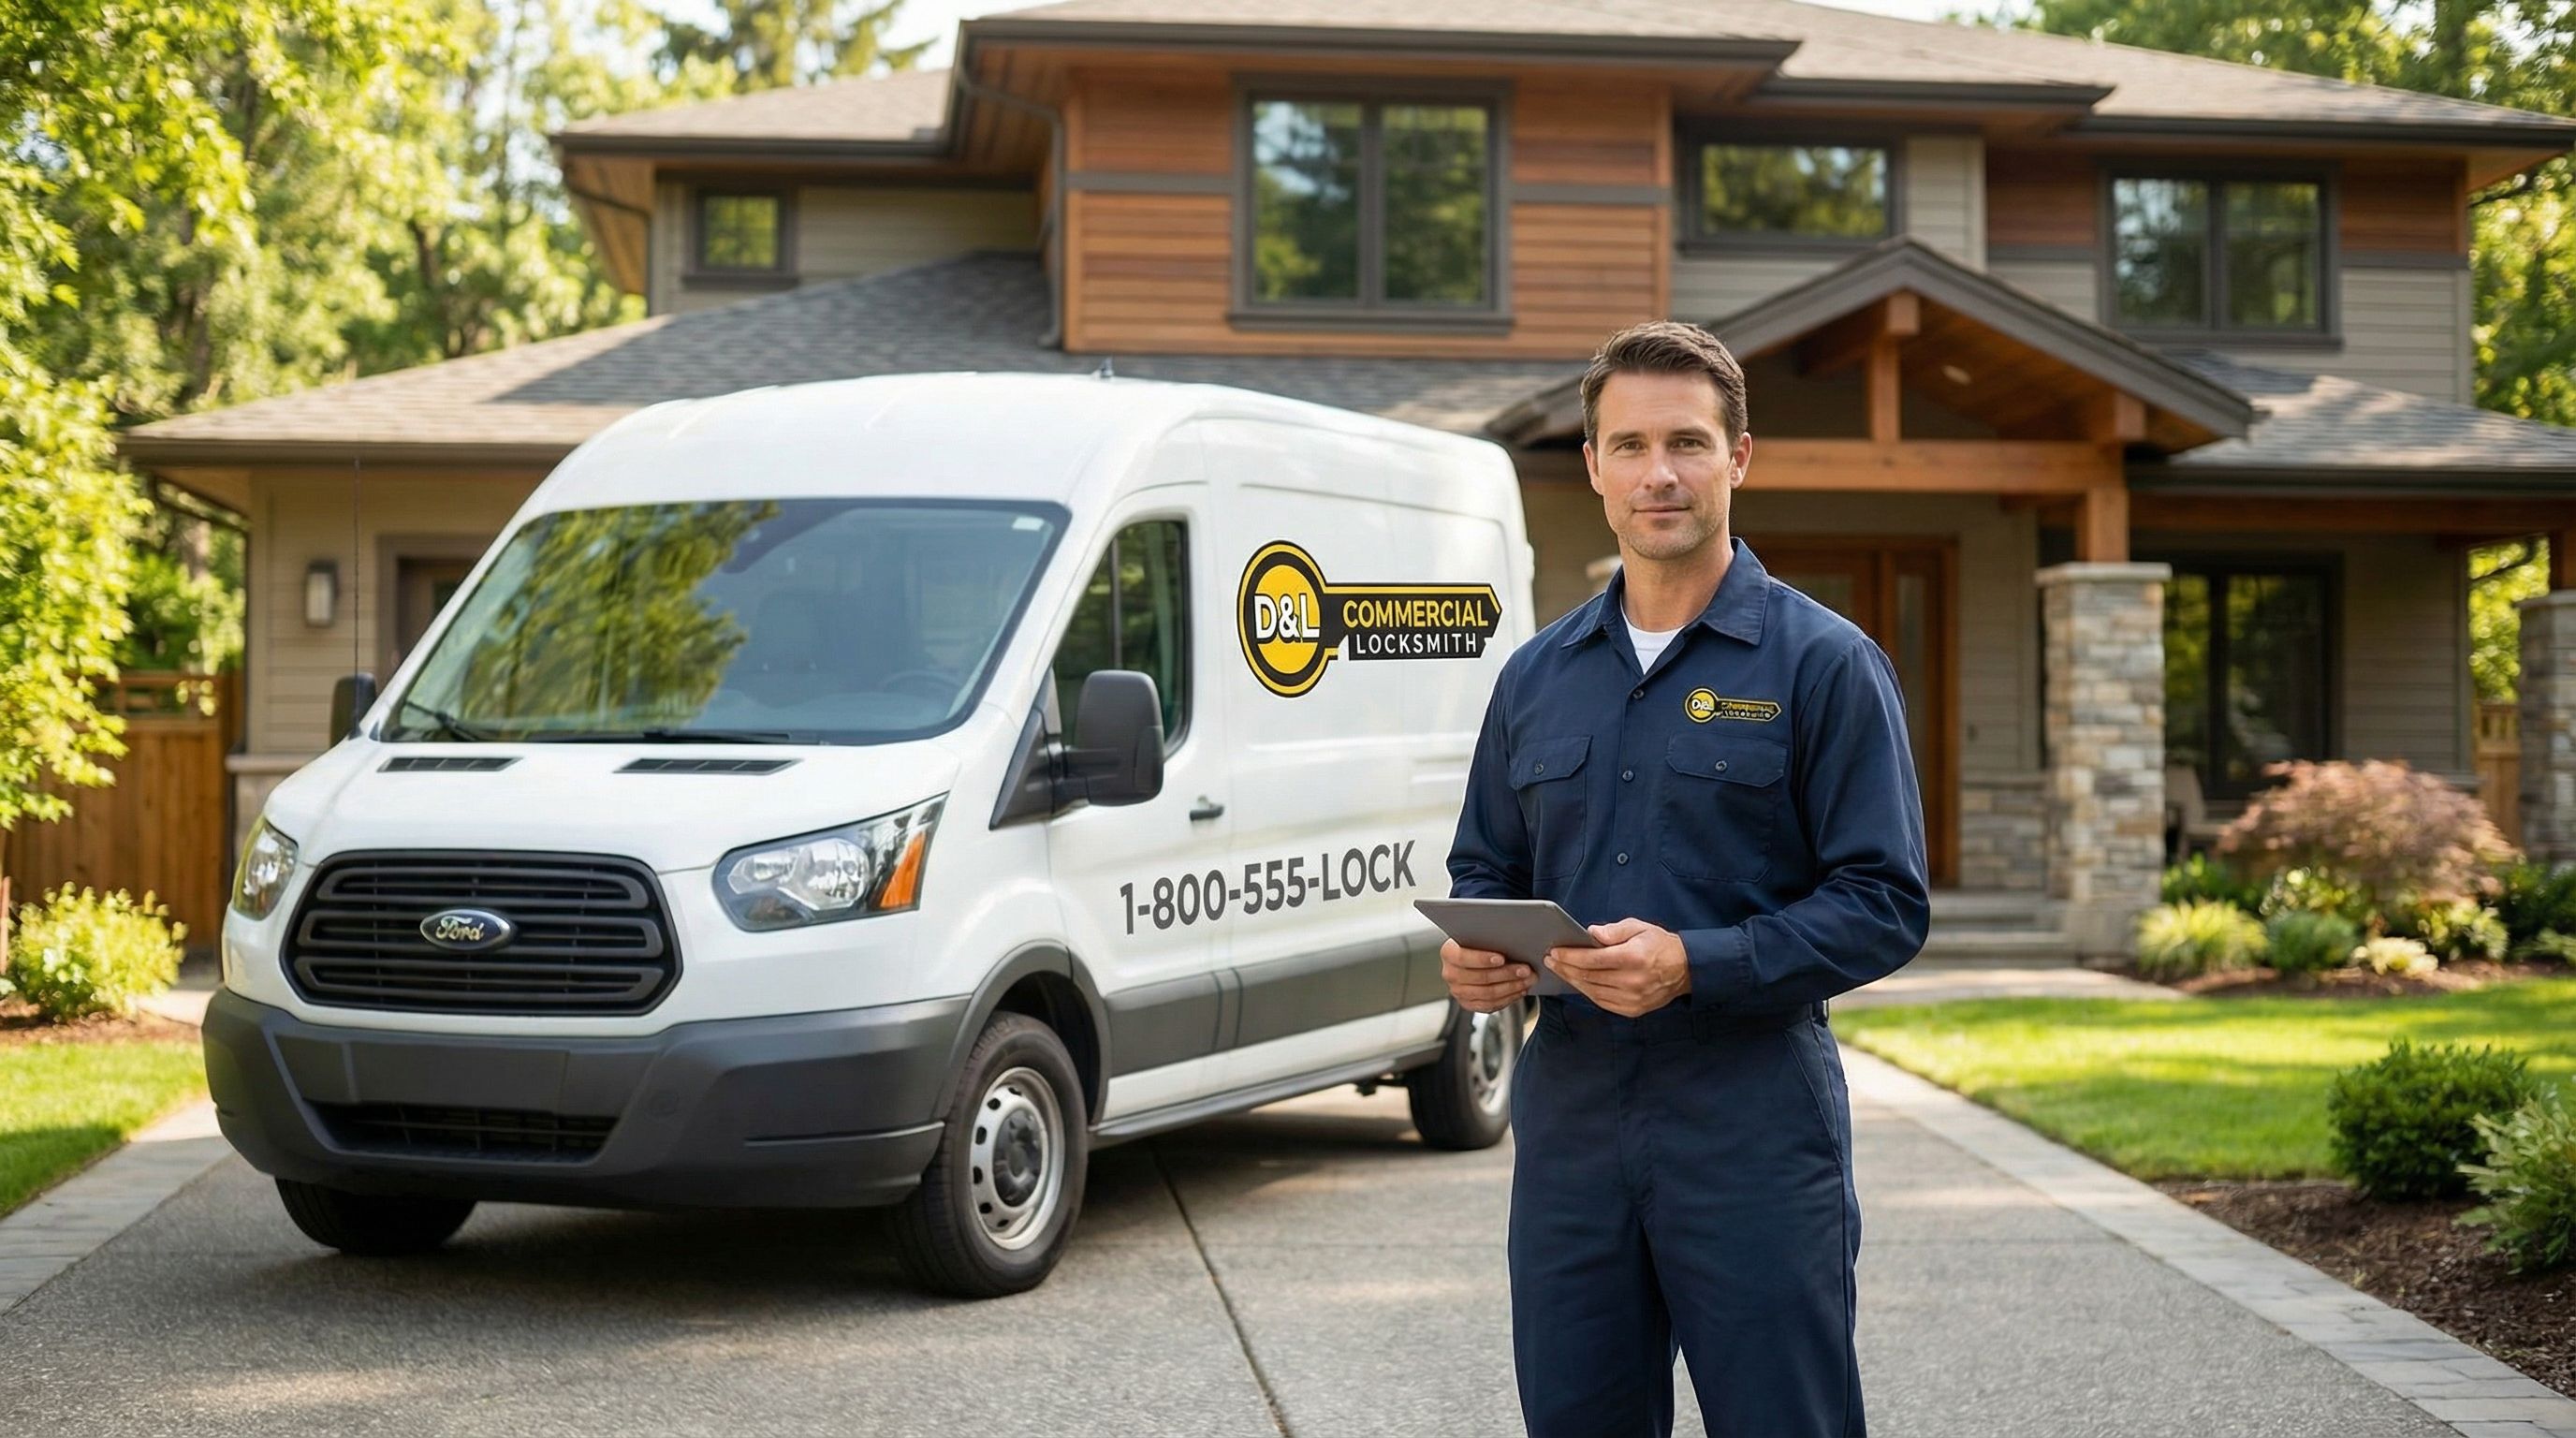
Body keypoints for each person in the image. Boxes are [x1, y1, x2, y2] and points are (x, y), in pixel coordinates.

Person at [1442, 319, 1931, 1437]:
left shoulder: (1825, 665)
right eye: (1629, 446)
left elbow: (1884, 903)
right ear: (1595, 469)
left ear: (1738, 457)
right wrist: (1476, 956)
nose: (1658, 473)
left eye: (1687, 443)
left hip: (1751, 1122)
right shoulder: (1534, 677)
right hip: (1570, 1124)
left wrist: (1694, 965)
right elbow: (1485, 864)